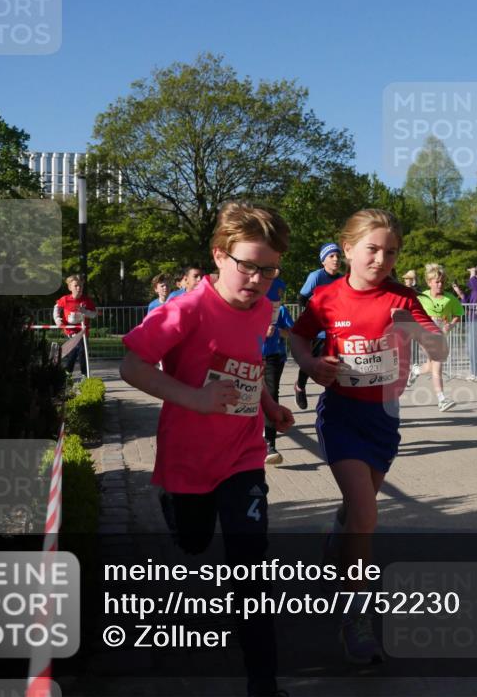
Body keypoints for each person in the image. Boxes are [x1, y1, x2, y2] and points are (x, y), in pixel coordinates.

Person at [119, 202, 294, 697]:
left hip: (242, 455)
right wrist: (194, 398)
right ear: (219, 256)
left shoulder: (262, 309)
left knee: (250, 562)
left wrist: (268, 406)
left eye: (270, 269)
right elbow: (132, 365)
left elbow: (247, 365)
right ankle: (174, 504)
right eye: (248, 265)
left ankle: (263, 681)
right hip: (188, 458)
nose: (259, 279)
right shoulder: (186, 309)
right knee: (194, 543)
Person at [290, 209, 446, 664]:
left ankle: (338, 532)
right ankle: (355, 619)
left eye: (391, 252)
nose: (381, 259)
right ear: (348, 249)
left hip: (384, 418)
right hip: (340, 415)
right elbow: (297, 339)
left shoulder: (403, 296)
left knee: (357, 516)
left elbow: (439, 347)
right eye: (372, 249)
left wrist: (414, 328)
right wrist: (312, 365)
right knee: (367, 513)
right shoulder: (326, 297)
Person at [293, 242, 343, 409]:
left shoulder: (342, 279)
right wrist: (314, 316)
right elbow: (301, 298)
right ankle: (300, 386)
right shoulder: (316, 277)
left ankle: (334, 399)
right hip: (319, 329)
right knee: (311, 362)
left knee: (335, 364)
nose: (336, 259)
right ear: (323, 261)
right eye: (332, 256)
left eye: (338, 256)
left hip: (336, 328)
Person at [408, 263, 463, 412]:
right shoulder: (422, 297)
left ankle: (416, 371)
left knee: (432, 365)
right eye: (436, 281)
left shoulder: (450, 298)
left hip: (440, 336)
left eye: (442, 282)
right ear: (429, 282)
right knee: (437, 364)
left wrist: (450, 325)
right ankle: (442, 399)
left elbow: (458, 314)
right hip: (424, 335)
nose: (440, 284)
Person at [263, 287, 294, 466]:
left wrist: (278, 331)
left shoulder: (281, 310)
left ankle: (270, 445)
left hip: (274, 358)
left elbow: (291, 333)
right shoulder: (250, 307)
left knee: (271, 396)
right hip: (252, 356)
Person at [54, 275, 98, 377]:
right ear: (70, 287)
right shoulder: (65, 299)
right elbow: (56, 308)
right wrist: (57, 319)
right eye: (76, 286)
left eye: (81, 286)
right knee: (80, 348)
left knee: (78, 351)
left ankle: (72, 373)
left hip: (83, 331)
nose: (79, 288)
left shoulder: (86, 300)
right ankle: (77, 373)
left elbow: (94, 314)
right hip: (70, 331)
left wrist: (85, 311)